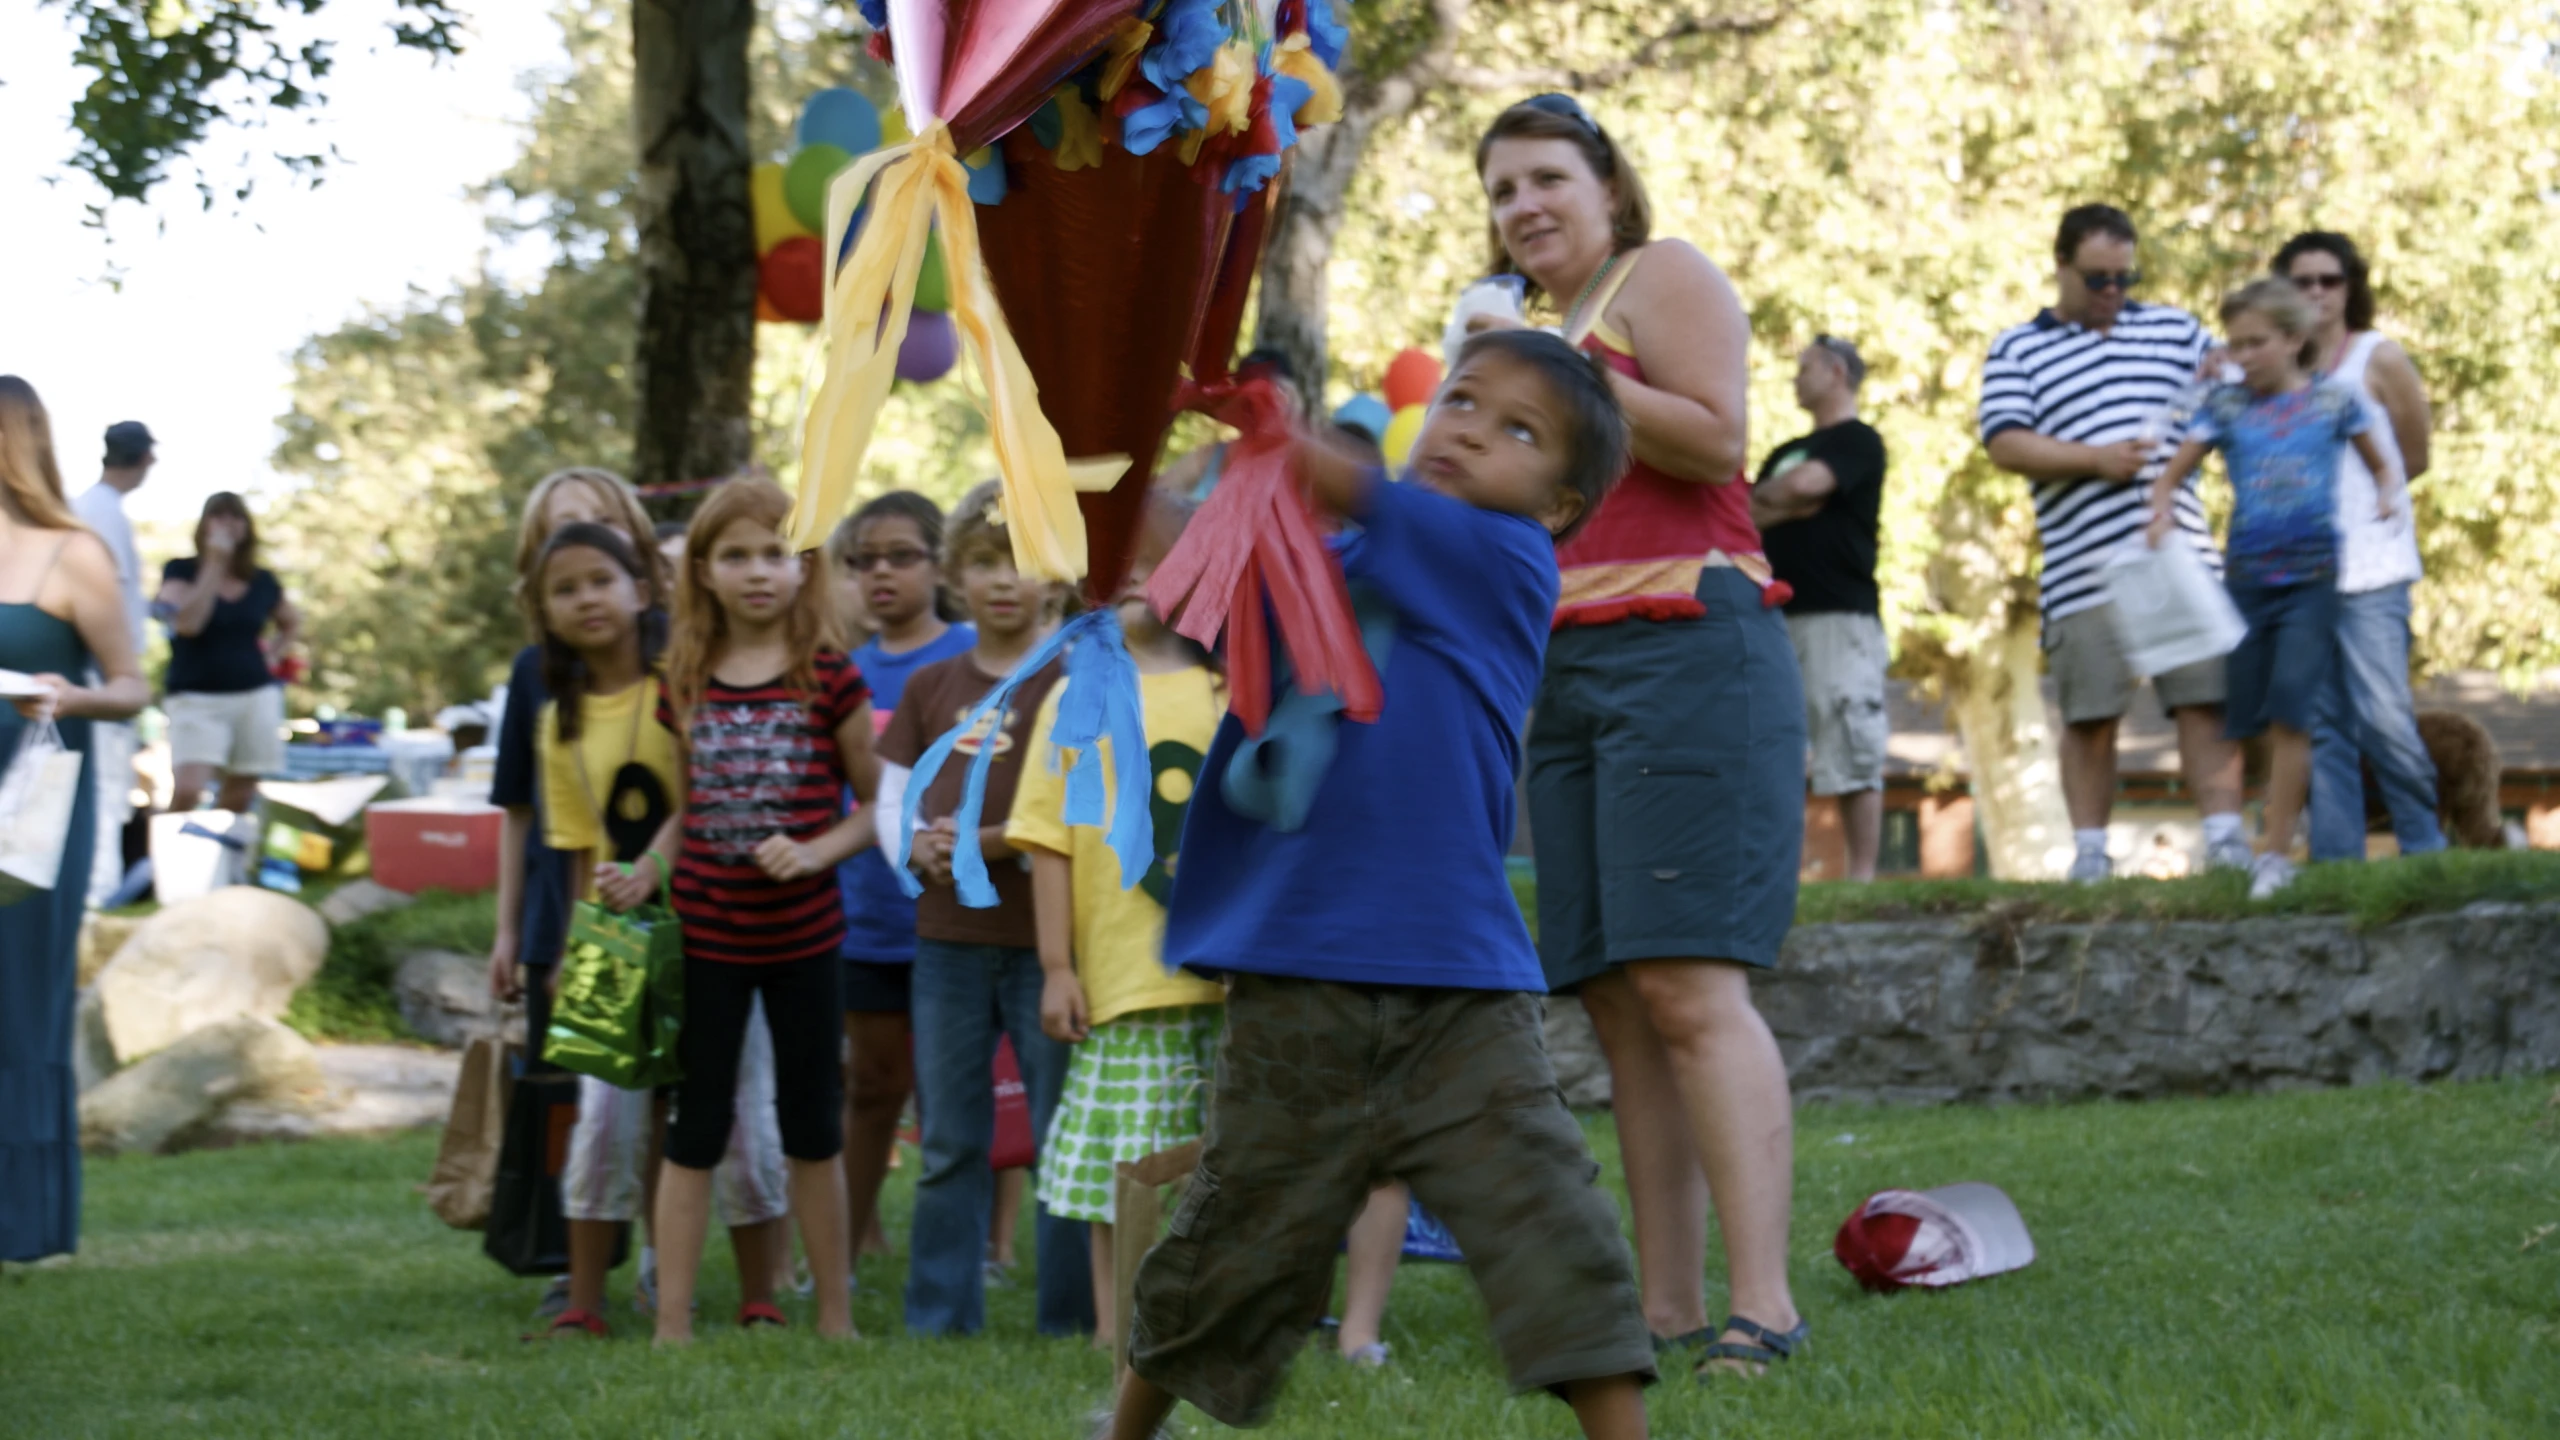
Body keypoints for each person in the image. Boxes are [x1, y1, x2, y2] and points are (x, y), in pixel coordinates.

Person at [1109, 330, 1652, 1439]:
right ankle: (1123, 1430)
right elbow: (1187, 590)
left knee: (1549, 1224)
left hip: (1456, 987)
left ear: (1556, 505)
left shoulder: (1502, 560)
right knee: (1231, 1237)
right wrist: (1122, 451)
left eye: (1517, 429)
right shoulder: (1336, 564)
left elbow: (1345, 484)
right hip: (1294, 975)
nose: (1465, 426)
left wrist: (1271, 428)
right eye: (1459, 399)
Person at [1477, 93, 1806, 1377]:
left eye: (1547, 177)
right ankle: (1663, 1308)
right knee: (1614, 999)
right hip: (1562, 668)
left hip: (1687, 644)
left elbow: (1719, 435)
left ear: (1607, 186)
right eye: (1503, 190)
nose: (1525, 206)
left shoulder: (1654, 276)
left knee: (1686, 983)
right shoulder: (1523, 338)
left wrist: (1563, 374)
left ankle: (1764, 1306)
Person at [521, 520, 789, 1338]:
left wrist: (664, 872)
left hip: (716, 925)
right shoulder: (556, 723)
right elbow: (573, 852)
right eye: (564, 590)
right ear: (545, 613)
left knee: (743, 1110)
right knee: (604, 1119)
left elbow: (708, 795)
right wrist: (572, 951)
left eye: (601, 580)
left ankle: (760, 1295)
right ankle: (585, 1300)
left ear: (644, 591)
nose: (587, 600)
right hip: (616, 945)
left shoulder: (689, 685)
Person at [637, 478, 874, 1344]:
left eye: (775, 552)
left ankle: (836, 1319)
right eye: (735, 555)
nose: (757, 571)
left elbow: (875, 805)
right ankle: (671, 1325)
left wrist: (814, 851)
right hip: (706, 939)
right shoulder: (685, 680)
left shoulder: (831, 676)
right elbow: (683, 808)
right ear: (701, 571)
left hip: (806, 940)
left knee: (813, 1124)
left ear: (802, 566)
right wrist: (646, 869)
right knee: (695, 1127)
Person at [878, 481, 1093, 1339]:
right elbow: (894, 804)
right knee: (950, 1143)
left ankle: (1074, 1317)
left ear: (1059, 578)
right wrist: (915, 846)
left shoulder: (1079, 680)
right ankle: (939, 1318)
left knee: (1061, 1142)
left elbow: (1077, 814)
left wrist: (980, 839)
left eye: (1024, 562)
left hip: (1050, 948)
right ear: (955, 576)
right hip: (949, 945)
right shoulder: (933, 685)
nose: (1004, 581)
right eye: (983, 561)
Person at [1980, 204, 2250, 882]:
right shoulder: (2018, 349)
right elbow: (2006, 443)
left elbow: (2229, 396)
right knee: (2091, 712)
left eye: (2124, 279)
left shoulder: (2173, 329)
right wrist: (2093, 460)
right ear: (2061, 267)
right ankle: (2092, 856)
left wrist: (2224, 368)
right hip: (2083, 567)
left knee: (2203, 699)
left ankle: (2223, 840)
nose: (2112, 293)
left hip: (2177, 551)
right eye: (2098, 278)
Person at [1013, 492, 1226, 1351]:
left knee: (1218, 1170)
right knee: (1122, 1174)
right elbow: (1048, 843)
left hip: (1224, 984)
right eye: (1116, 559)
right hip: (1122, 987)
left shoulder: (1231, 693)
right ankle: (1115, 1330)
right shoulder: (1078, 697)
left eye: (1158, 554)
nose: (1135, 572)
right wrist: (1057, 967)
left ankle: (1205, 1326)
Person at [2147, 279, 2401, 899]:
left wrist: (2390, 492)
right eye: (2236, 344)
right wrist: (2157, 512)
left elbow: (2383, 459)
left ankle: (2276, 853)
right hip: (2246, 581)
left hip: (2313, 579)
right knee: (2248, 717)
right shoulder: (2226, 407)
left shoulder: (2334, 403)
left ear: (2293, 339)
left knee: (2293, 710)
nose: (2245, 355)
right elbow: (2172, 471)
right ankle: (2278, 816)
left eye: (2257, 342)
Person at [0, 376, 149, 1264]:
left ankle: (26, 1225)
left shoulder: (72, 552)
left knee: (20, 1006)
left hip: (27, 819)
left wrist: (67, 694)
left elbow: (133, 687)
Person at [827, 494, 976, 1267]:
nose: (880, 573)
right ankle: (845, 1247)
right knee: (873, 1086)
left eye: (900, 555)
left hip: (968, 914)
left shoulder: (980, 652)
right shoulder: (840, 674)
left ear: (939, 565)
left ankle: (981, 1245)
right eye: (863, 560)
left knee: (966, 1091)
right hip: (870, 918)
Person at [2273, 232, 2447, 863]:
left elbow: (2415, 454)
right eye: (2303, 281)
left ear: (2352, 287)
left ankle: (2425, 848)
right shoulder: (2274, 367)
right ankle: (2336, 866)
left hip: (2374, 572)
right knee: (2322, 731)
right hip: (2300, 577)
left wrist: (2372, 508)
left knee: (2385, 718)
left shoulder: (2378, 357)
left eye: (2330, 279)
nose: (2317, 292)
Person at [1752, 337, 1891, 882]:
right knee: (1776, 749)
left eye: (1804, 368)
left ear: (1836, 372)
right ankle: (1778, 874)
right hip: (1773, 615)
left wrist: (1781, 497)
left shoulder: (1859, 441)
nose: (1795, 378)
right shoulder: (1783, 448)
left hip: (1841, 616)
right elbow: (1745, 511)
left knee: (1850, 738)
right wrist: (1786, 499)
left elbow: (1807, 485)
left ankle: (1862, 878)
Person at [156, 492, 299, 815]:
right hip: (195, 696)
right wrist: (215, 563)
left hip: (253, 694)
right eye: (218, 516)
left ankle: (226, 862)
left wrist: (273, 654)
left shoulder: (262, 580)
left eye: (235, 517)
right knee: (189, 791)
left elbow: (291, 623)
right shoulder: (180, 571)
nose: (227, 523)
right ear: (204, 524)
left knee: (240, 794)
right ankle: (168, 859)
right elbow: (187, 623)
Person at [70, 421, 153, 908]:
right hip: (99, 678)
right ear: (143, 458)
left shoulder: (103, 510)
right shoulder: (98, 512)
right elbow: (104, 604)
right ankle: (96, 898)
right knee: (102, 789)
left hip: (107, 678)